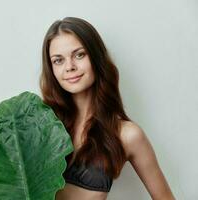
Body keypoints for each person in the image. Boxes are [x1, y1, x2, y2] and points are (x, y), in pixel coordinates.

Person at [39, 17, 175, 200]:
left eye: (79, 55)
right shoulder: (42, 124)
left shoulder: (127, 135)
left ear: (96, 57)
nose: (69, 67)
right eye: (58, 60)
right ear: (51, 69)